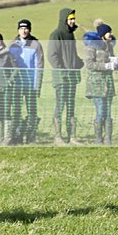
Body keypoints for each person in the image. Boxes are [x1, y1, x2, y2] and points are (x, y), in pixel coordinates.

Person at [48, 8, 84, 145]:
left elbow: (71, 55)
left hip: (72, 78)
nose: (73, 21)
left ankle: (72, 137)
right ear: (64, 19)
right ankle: (58, 137)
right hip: (62, 78)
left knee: (71, 107)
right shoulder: (56, 34)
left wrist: (79, 62)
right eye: (70, 19)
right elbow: (53, 56)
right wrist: (63, 71)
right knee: (60, 106)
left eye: (74, 18)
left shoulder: (70, 35)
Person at [9, 19, 44, 144]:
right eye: (21, 28)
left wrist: (37, 86)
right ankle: (17, 136)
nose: (24, 31)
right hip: (16, 85)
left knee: (32, 112)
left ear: (30, 29)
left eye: (26, 28)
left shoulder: (36, 44)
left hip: (30, 85)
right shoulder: (13, 44)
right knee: (16, 111)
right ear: (18, 30)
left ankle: (30, 136)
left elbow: (39, 66)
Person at [84, 23, 117, 145]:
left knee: (108, 112)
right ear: (103, 34)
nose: (111, 34)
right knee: (100, 111)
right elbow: (89, 64)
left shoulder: (109, 46)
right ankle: (98, 139)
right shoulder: (91, 47)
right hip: (96, 84)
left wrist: (114, 61)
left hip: (108, 83)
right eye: (109, 32)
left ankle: (108, 139)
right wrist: (105, 66)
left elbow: (111, 60)